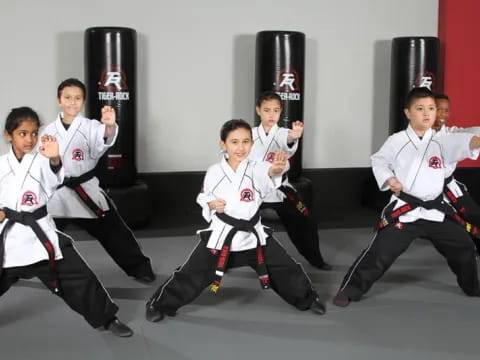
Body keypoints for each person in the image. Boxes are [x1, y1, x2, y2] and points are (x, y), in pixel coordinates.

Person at [145, 119, 325, 322]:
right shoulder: (214, 171)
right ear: (223, 144)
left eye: (246, 141)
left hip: (253, 235)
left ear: (252, 144)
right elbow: (204, 196)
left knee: (285, 267)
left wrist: (277, 168)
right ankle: (159, 304)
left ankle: (307, 299)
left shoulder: (258, 167)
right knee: (192, 272)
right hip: (223, 235)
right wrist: (211, 204)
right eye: (234, 142)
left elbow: (270, 174)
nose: (241, 147)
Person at [333, 87, 480, 307]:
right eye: (420, 109)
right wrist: (389, 180)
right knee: (380, 253)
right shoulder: (397, 141)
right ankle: (350, 290)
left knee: (464, 247)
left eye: (431, 108)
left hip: (436, 210)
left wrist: (475, 141)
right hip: (406, 211)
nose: (427, 114)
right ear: (408, 112)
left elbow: (468, 142)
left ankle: (472, 286)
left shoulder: (443, 141)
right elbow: (379, 161)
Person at [0, 106, 133, 337]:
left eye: (34, 133)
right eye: (23, 133)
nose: (30, 139)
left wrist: (54, 158)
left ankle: (107, 318)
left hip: (40, 237)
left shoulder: (42, 161)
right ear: (8, 135)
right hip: (8, 239)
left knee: (80, 278)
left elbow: (54, 180)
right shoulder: (1, 166)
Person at [42, 78, 155, 283]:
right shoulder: (48, 131)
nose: (72, 102)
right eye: (67, 97)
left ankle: (139, 268)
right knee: (33, 233)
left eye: (77, 98)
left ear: (83, 102)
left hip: (85, 190)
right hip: (56, 192)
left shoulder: (91, 126)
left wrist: (110, 126)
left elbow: (105, 137)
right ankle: (10, 272)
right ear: (59, 100)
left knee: (114, 232)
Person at [249, 91, 331, 270]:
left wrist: (294, 136)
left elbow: (287, 140)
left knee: (306, 219)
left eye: (276, 110)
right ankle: (222, 261)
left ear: (281, 112)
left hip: (280, 188)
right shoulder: (249, 135)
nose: (271, 115)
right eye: (267, 110)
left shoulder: (284, 133)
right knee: (233, 222)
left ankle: (316, 259)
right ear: (258, 111)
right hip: (253, 189)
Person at [433, 93, 480, 254]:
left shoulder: (450, 133)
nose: (443, 114)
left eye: (446, 110)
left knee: (474, 217)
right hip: (422, 194)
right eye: (439, 110)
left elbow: (469, 133)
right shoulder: (416, 136)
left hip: (449, 188)